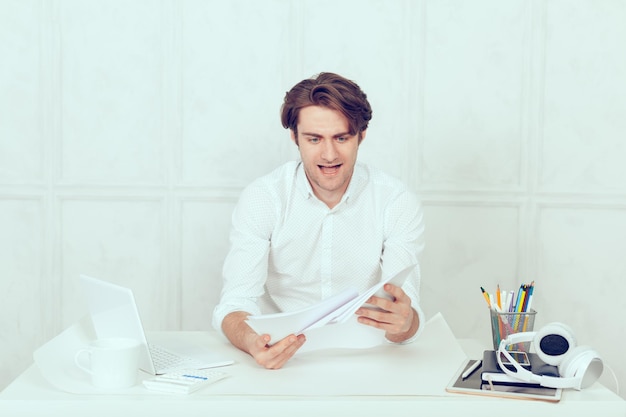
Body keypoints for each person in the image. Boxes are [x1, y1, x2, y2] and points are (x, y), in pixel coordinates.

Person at [212, 72, 425, 369]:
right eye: (314, 139)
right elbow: (235, 304)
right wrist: (251, 342)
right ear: (294, 137)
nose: (329, 154)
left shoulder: (395, 201)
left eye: (342, 137)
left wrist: (405, 322)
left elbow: (407, 314)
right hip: (282, 360)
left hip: (371, 362)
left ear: (361, 136)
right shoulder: (264, 198)